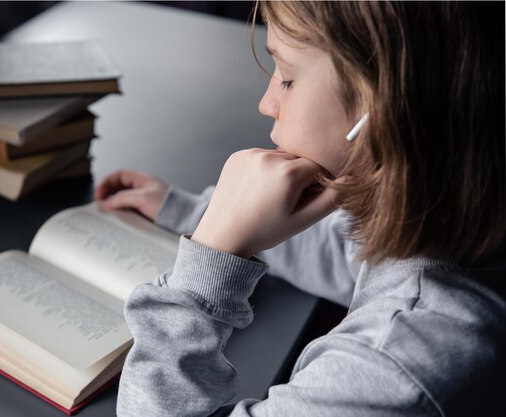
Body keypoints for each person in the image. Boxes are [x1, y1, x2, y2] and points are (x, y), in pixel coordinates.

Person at [95, 2, 505, 416]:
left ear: (382, 107)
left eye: (288, 79)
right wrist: (200, 213)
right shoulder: (448, 218)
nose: (267, 102)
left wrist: (209, 263)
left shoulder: (394, 369)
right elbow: (347, 252)